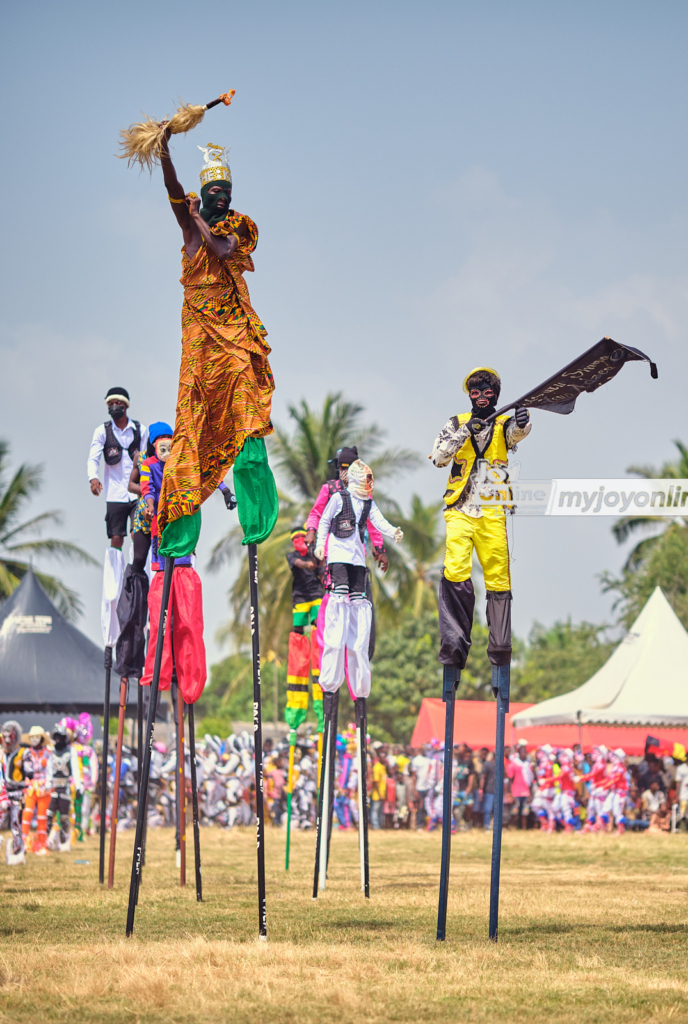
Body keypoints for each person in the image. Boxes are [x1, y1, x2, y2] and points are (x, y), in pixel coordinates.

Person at [156, 137, 274, 533]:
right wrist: (163, 150)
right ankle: (180, 517)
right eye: (214, 192)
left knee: (245, 397)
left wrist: (199, 217)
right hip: (198, 328)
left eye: (227, 191)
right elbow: (172, 189)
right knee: (191, 409)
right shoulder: (189, 222)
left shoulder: (237, 225)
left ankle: (254, 509)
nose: (222, 197)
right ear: (204, 193)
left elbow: (223, 251)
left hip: (233, 328)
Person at [431, 367, 530, 676]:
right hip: (460, 508)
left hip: (492, 509)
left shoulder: (503, 423)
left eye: (488, 392)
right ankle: (454, 645)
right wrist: (466, 432)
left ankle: (500, 649)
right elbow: (438, 457)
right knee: (456, 570)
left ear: (496, 395)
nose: (483, 397)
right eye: (476, 392)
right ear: (470, 395)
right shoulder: (456, 422)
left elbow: (517, 434)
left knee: (499, 577)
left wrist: (524, 422)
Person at [314, 460, 402, 703]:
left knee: (358, 604)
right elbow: (322, 521)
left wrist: (393, 531)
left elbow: (379, 521)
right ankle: (332, 673)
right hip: (339, 557)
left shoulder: (367, 503)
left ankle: (358, 666)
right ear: (354, 479)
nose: (368, 483)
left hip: (357, 560)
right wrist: (321, 545)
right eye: (365, 479)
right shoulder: (339, 498)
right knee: (339, 599)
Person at [88, 387, 148, 548]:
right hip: (115, 492)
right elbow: (94, 457)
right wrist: (93, 478)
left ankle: (137, 571)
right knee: (116, 537)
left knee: (139, 534)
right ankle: (115, 572)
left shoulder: (140, 430)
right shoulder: (102, 431)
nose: (114, 406)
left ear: (126, 406)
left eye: (118, 403)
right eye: (111, 403)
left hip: (138, 493)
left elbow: (147, 460)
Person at [47, 720, 83, 852]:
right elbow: (49, 770)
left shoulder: (71, 751)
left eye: (60, 737)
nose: (58, 739)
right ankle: (48, 840)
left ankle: (64, 842)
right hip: (52, 788)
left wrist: (78, 786)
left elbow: (75, 769)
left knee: (64, 817)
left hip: (65, 788)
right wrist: (47, 784)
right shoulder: (51, 751)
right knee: (48, 814)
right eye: (56, 736)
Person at [21, 726, 52, 855]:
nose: (34, 739)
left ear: (41, 738)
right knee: (27, 814)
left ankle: (40, 844)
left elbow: (50, 770)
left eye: (36, 737)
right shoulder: (26, 753)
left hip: (44, 789)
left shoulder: (48, 753)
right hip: (30, 788)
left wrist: (49, 784)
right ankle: (23, 842)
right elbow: (25, 770)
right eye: (32, 737)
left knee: (42, 816)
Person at [2, 721, 26, 864]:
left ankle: (18, 851)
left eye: (9, 737)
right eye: (4, 737)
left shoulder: (23, 753)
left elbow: (29, 775)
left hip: (17, 793)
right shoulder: (1, 753)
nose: (6, 741)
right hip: (2, 793)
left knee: (16, 823)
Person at [507, 741, 533, 830]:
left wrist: (531, 794)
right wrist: (510, 792)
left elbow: (531, 780)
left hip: (526, 791)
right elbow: (510, 779)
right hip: (516, 791)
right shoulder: (514, 764)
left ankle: (524, 827)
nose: (524, 754)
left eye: (525, 752)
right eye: (522, 752)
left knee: (525, 812)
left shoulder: (528, 765)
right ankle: (513, 827)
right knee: (515, 811)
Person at [479, 751, 496, 831]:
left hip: (498, 791)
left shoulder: (501, 764)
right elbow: (483, 777)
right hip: (489, 790)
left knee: (496, 810)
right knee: (488, 810)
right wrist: (481, 789)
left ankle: (494, 826)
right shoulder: (487, 764)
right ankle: (486, 826)